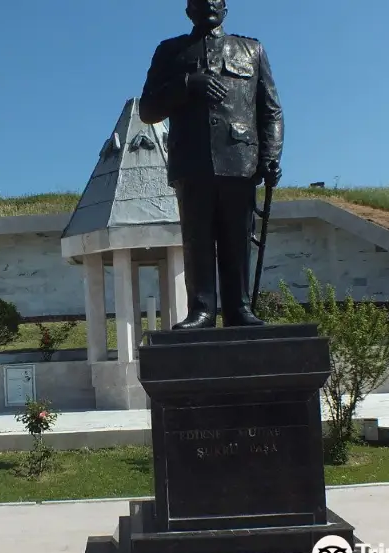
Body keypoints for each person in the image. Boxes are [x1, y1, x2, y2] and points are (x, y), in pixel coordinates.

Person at [138, 0, 284, 328]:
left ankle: (239, 309)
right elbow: (147, 110)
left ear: (226, 7)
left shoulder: (252, 50)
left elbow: (270, 110)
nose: (209, 6)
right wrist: (186, 85)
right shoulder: (170, 52)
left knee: (237, 238)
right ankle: (201, 310)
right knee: (197, 240)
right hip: (192, 161)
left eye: (215, 1)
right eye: (200, 2)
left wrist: (271, 155)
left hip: (240, 160)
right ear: (188, 11)